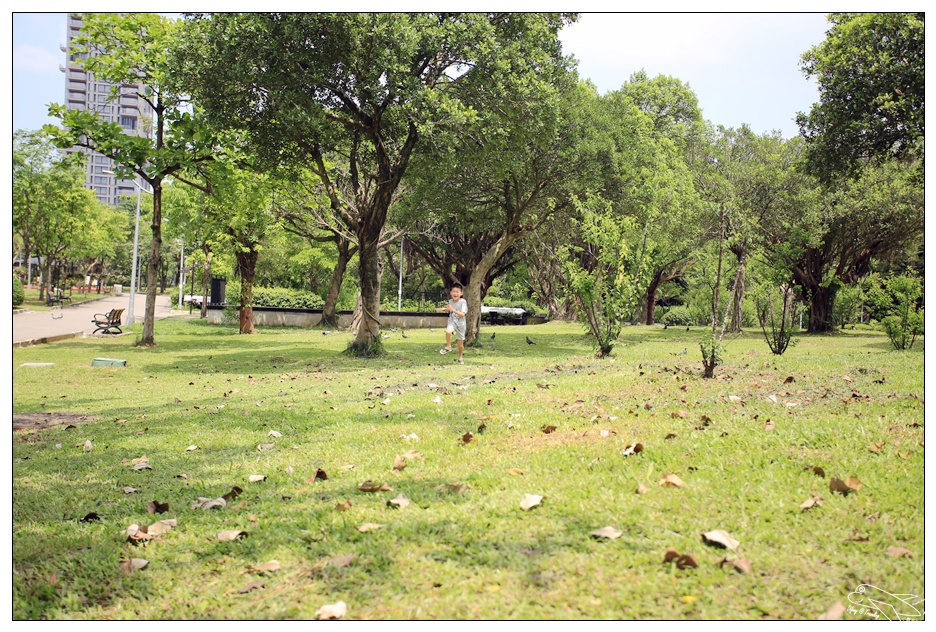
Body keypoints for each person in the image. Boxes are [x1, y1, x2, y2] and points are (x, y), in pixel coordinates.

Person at [436, 283, 467, 364]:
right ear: (450, 293)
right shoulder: (450, 301)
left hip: (461, 325)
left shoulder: (463, 302)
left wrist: (452, 310)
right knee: (448, 332)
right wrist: (442, 309)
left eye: (457, 292)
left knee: (460, 345)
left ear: (461, 293)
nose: (455, 293)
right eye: (453, 291)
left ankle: (460, 357)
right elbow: (449, 309)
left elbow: (462, 314)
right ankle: (449, 346)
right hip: (452, 321)